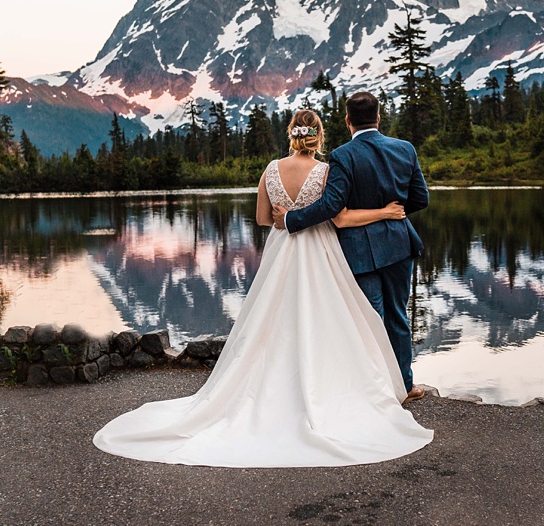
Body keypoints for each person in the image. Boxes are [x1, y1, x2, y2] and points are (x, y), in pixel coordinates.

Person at [93, 109, 433, 467]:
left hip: (281, 250)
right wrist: (381, 212)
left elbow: (260, 219)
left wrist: (284, 215)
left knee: (274, 317)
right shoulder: (325, 171)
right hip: (320, 251)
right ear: (318, 135)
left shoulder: (271, 170)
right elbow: (337, 214)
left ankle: (273, 388)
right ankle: (349, 385)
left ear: (292, 134)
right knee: (335, 318)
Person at [274, 92, 429, 403]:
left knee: (369, 318)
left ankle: (376, 389)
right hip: (399, 242)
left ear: (347, 121)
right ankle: (405, 385)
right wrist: (391, 211)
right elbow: (420, 198)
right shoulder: (405, 149)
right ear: (379, 117)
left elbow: (332, 205)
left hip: (359, 251)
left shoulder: (344, 155)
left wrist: (291, 220)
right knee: (398, 316)